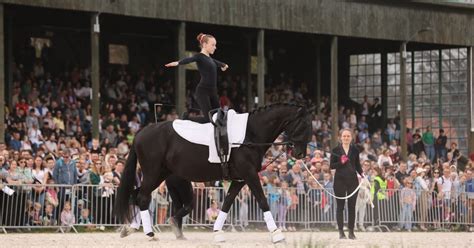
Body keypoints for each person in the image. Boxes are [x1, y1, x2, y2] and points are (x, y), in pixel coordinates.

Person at [165, 33, 229, 123]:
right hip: (203, 91)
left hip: (213, 91)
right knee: (208, 119)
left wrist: (223, 65)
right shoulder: (199, 57)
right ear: (204, 45)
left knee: (219, 117)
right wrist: (178, 62)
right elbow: (189, 59)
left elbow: (217, 62)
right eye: (213, 45)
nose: (215, 47)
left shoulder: (210, 59)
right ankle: (187, 119)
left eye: (215, 45)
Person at [330, 128, 363, 239]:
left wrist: (362, 174)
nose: (346, 138)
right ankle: (341, 232)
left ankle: (351, 231)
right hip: (339, 181)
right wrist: (341, 162)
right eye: (344, 136)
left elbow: (357, 165)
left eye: (348, 136)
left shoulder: (355, 150)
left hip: (353, 181)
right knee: (340, 206)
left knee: (352, 206)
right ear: (340, 137)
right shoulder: (335, 150)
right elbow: (332, 165)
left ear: (351, 137)